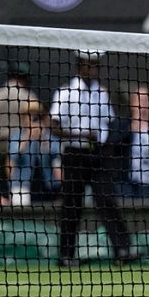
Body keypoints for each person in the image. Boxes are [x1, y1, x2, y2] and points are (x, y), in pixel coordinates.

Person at [49, 49, 137, 267]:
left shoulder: (102, 92)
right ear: (79, 67)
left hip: (99, 154)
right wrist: (80, 135)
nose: (93, 70)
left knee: (107, 200)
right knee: (72, 205)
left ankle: (122, 250)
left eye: (96, 65)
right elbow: (53, 127)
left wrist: (104, 142)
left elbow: (108, 121)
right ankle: (66, 255)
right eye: (89, 65)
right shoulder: (65, 93)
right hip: (74, 154)